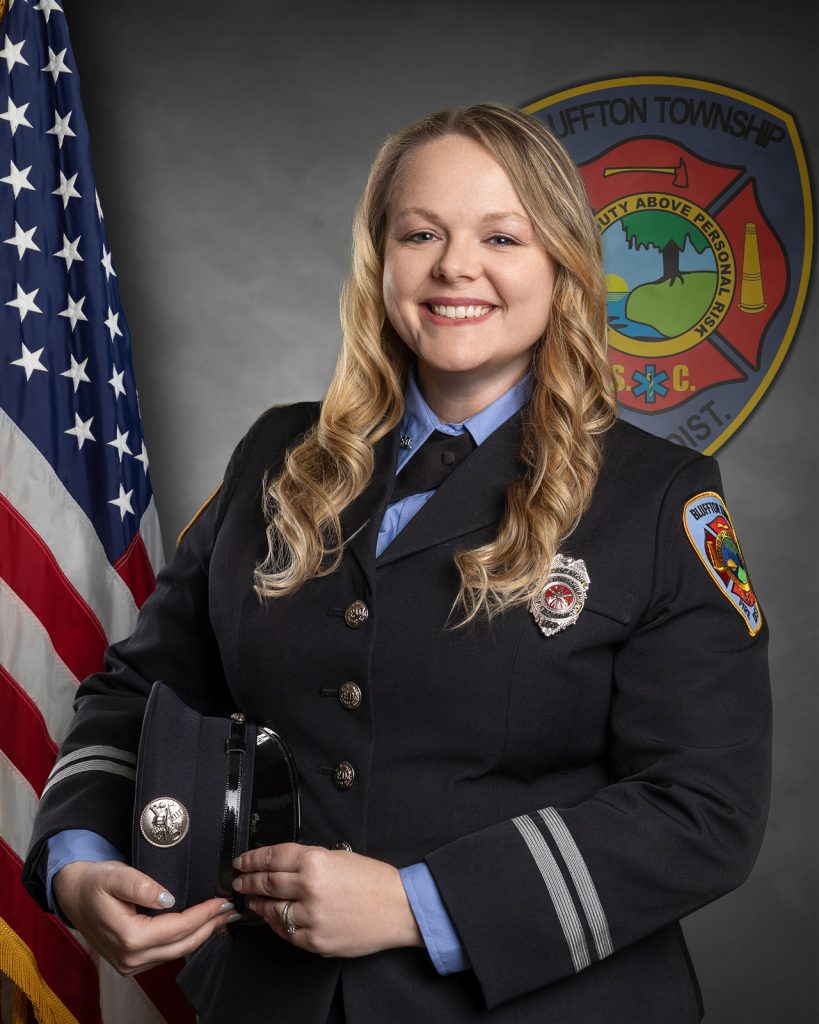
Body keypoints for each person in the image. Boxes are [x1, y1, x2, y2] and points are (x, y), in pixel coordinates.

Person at [22, 103, 771, 1023]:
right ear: (380, 260)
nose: (456, 266)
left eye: (503, 235)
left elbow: (703, 808)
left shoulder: (656, 499)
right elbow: (141, 690)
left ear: (562, 268)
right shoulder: (278, 456)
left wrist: (422, 904)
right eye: (421, 233)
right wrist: (79, 859)